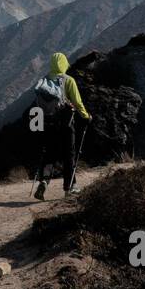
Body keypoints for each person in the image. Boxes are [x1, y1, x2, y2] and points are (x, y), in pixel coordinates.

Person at [33, 52, 91, 199]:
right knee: (69, 155)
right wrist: (86, 116)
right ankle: (69, 188)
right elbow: (78, 103)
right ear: (64, 63)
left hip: (48, 124)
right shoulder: (68, 80)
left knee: (50, 154)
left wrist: (38, 127)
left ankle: (44, 182)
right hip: (65, 124)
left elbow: (37, 107)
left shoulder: (44, 81)